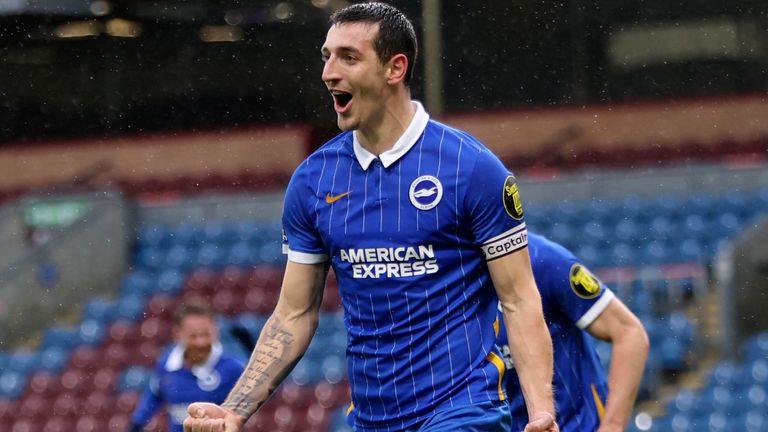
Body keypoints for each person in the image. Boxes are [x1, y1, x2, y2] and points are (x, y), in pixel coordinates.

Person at [184, 3, 557, 431]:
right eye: (326, 56)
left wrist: (542, 410)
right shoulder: (312, 180)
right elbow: (294, 314)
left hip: (463, 410)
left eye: (348, 56)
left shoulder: (471, 168)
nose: (328, 72)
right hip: (371, 418)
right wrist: (235, 410)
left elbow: (519, 299)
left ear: (395, 68)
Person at [498, 232, 649, 432]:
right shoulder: (452, 279)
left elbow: (630, 333)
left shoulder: (543, 260)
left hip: (579, 426)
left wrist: (612, 426)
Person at [127, 299, 244, 432]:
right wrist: (136, 425)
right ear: (178, 334)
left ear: (215, 331)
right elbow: (153, 396)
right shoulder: (166, 366)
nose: (201, 342)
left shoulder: (234, 368)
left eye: (206, 335)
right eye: (193, 336)